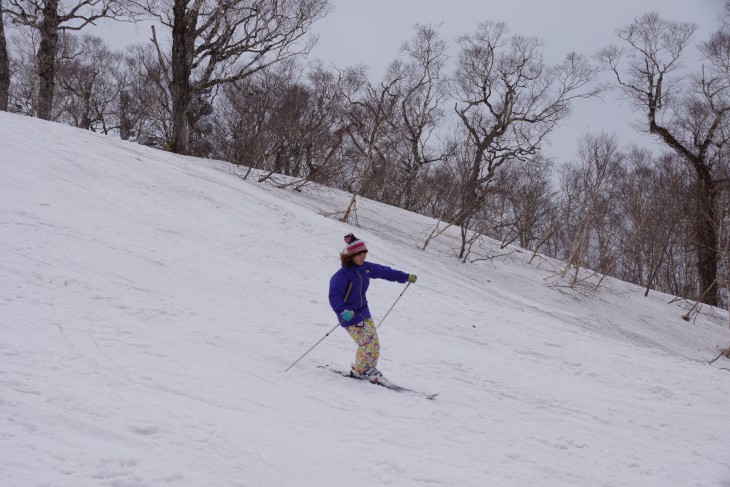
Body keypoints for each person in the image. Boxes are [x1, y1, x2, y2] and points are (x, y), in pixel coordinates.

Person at [328, 233, 417, 382]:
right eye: (359, 254)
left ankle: (368, 368)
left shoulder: (366, 268)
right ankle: (362, 370)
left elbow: (385, 271)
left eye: (364, 253)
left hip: (363, 311)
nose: (363, 257)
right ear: (351, 256)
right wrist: (342, 311)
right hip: (349, 314)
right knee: (367, 341)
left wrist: (405, 277)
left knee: (374, 342)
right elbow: (334, 296)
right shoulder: (342, 275)